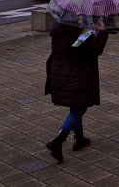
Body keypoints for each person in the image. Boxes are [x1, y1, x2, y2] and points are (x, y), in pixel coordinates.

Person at [44, 19, 109, 163]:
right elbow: (95, 49)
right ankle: (58, 140)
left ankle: (79, 138)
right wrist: (102, 31)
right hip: (76, 72)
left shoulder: (61, 25)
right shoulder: (78, 31)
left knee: (77, 104)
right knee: (79, 107)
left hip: (61, 70)